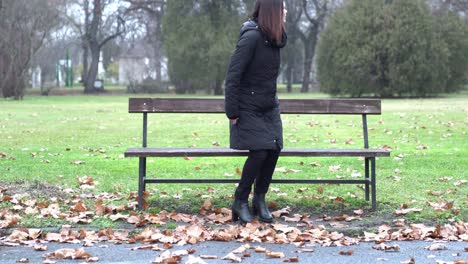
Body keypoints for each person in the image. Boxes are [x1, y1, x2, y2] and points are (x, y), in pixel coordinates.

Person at [224, 0, 287, 224]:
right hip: (246, 107)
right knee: (260, 151)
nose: (286, 11)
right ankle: (240, 200)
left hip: (268, 106)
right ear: (273, 12)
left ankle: (259, 198)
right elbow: (233, 76)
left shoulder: (273, 39)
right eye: (282, 8)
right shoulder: (251, 37)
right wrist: (231, 112)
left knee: (274, 148)